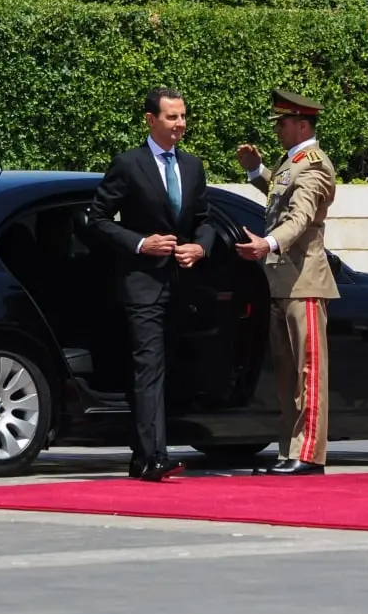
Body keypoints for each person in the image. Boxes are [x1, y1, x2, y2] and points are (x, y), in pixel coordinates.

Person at [87, 87, 216, 482]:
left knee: (165, 369)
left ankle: (143, 455)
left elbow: (205, 218)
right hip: (142, 284)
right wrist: (142, 244)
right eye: (171, 117)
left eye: (183, 116)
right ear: (150, 120)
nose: (180, 124)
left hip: (181, 285)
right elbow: (97, 218)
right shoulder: (129, 164)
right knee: (149, 367)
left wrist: (201, 247)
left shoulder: (192, 166)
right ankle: (152, 456)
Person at [235, 89, 339, 476]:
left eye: (282, 123)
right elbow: (281, 200)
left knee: (309, 372)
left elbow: (299, 218)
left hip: (304, 280)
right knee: (287, 375)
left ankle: (309, 454)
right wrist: (256, 172)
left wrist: (267, 243)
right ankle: (290, 451)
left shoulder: (314, 165)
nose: (277, 129)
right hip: (283, 280)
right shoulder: (292, 161)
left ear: (302, 125)